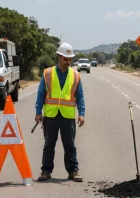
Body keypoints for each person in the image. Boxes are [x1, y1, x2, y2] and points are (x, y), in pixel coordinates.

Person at [35, 42, 85, 182]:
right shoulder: (48, 73)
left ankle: (73, 171)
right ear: (59, 57)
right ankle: (46, 170)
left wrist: (81, 114)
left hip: (68, 116)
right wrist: (38, 112)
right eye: (65, 59)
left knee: (70, 145)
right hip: (51, 115)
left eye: (70, 59)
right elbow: (40, 94)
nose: (68, 62)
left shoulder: (76, 76)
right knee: (49, 145)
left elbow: (80, 96)